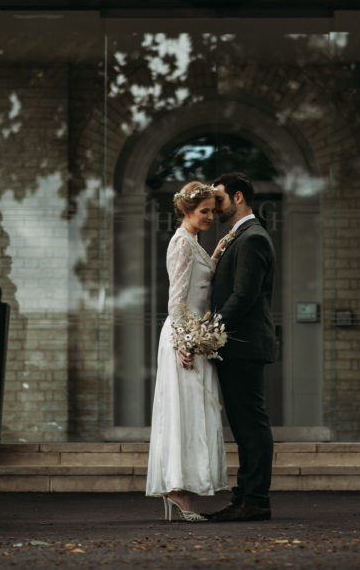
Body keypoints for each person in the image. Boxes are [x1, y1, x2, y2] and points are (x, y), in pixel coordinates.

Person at [145, 181, 228, 522]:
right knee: (183, 413)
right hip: (184, 339)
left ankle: (184, 489)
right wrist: (183, 342)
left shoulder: (194, 242)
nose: (211, 216)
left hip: (195, 336)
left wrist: (219, 250)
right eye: (204, 211)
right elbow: (176, 299)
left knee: (195, 413)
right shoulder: (181, 242)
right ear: (187, 211)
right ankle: (178, 490)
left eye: (212, 210)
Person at [204, 172, 276, 522]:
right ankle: (246, 497)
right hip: (236, 346)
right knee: (245, 425)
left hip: (244, 345)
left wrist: (208, 331)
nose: (213, 207)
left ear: (237, 197)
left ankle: (255, 499)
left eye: (218, 199)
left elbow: (243, 296)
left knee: (251, 425)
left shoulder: (253, 238)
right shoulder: (240, 236)